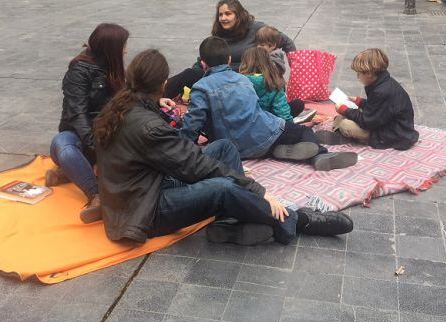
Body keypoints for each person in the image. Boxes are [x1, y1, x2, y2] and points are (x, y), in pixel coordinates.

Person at [93, 49, 354, 245]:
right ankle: (297, 221)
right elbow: (194, 165)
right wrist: (258, 190)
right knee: (222, 187)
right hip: (143, 211)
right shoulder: (146, 125)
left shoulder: (122, 106)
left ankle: (235, 218)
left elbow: (181, 154)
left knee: (224, 148)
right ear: (162, 84)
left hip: (142, 188)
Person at [46, 24, 177, 223]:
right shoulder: (78, 71)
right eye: (123, 45)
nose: (125, 50)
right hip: (81, 136)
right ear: (111, 48)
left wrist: (155, 99)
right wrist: (96, 147)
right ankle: (97, 195)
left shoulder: (113, 66)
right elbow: (77, 115)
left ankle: (70, 171)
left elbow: (128, 96)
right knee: (62, 146)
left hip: (107, 131)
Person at [179, 37, 357, 171]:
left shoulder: (200, 88)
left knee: (279, 131)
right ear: (229, 59)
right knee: (302, 130)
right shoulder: (242, 80)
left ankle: (282, 150)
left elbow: (193, 125)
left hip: (234, 149)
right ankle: (319, 155)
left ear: (203, 63)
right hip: (264, 137)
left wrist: (181, 148)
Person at [164, 0, 296, 98]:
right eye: (220, 15)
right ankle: (156, 93)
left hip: (247, 80)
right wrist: (197, 70)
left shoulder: (256, 28)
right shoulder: (219, 33)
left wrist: (297, 66)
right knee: (190, 74)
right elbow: (207, 55)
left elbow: (285, 41)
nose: (223, 18)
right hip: (220, 76)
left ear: (238, 15)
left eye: (228, 14)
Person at [328, 48, 419, 151]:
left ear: (369, 74)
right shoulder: (383, 83)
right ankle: (338, 133)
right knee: (342, 117)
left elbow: (367, 121)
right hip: (386, 125)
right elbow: (379, 108)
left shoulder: (381, 91)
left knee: (345, 124)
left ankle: (344, 135)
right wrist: (360, 102)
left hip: (394, 134)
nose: (358, 77)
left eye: (359, 74)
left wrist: (344, 109)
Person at [239, 47, 293, 121]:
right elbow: (282, 111)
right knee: (297, 105)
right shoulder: (273, 81)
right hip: (270, 125)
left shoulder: (238, 81)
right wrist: (291, 125)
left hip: (246, 124)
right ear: (268, 62)